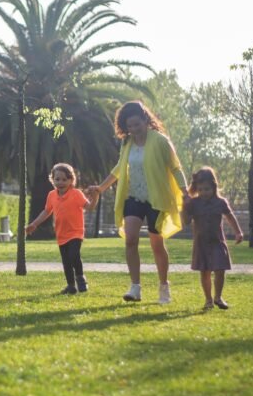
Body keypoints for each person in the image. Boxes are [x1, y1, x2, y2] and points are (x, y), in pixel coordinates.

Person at [87, 101, 189, 304]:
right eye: (129, 126)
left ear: (145, 120)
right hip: (134, 197)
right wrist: (101, 188)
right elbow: (119, 168)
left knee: (156, 244)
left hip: (156, 199)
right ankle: (135, 287)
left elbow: (175, 167)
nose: (133, 129)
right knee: (130, 239)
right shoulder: (127, 144)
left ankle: (163, 287)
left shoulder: (160, 141)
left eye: (136, 124)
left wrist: (185, 192)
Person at [182, 166, 243, 310]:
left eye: (207, 189)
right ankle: (208, 299)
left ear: (214, 187)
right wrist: (184, 207)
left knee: (220, 270)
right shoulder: (194, 203)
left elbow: (230, 216)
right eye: (201, 189)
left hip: (217, 242)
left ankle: (218, 297)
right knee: (205, 272)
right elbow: (185, 221)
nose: (204, 192)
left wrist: (238, 232)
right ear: (197, 188)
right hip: (201, 243)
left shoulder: (220, 202)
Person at [26, 163, 91, 294]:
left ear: (71, 180)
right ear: (52, 179)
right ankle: (71, 286)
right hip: (61, 234)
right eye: (57, 179)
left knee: (74, 255)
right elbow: (46, 212)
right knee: (66, 261)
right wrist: (34, 224)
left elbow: (88, 207)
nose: (60, 182)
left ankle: (80, 277)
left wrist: (95, 196)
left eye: (64, 179)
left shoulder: (76, 194)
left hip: (75, 232)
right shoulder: (51, 195)